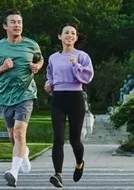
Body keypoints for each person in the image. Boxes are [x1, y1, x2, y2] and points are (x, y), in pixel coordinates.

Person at [0, 9, 44, 188]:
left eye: (19, 22)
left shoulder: (32, 45)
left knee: (19, 132)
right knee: (13, 136)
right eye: (13, 22)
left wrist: (37, 66)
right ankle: (24, 154)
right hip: (5, 96)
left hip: (25, 94)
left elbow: (40, 60)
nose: (17, 25)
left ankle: (13, 173)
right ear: (5, 26)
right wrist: (3, 67)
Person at [44, 24, 94, 188]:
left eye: (73, 33)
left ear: (76, 37)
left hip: (75, 98)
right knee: (58, 139)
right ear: (60, 36)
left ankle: (79, 163)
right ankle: (58, 174)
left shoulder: (82, 56)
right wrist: (49, 84)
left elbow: (87, 77)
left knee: (75, 140)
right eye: (66, 33)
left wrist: (76, 65)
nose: (70, 35)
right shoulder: (53, 58)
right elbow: (50, 76)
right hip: (58, 98)